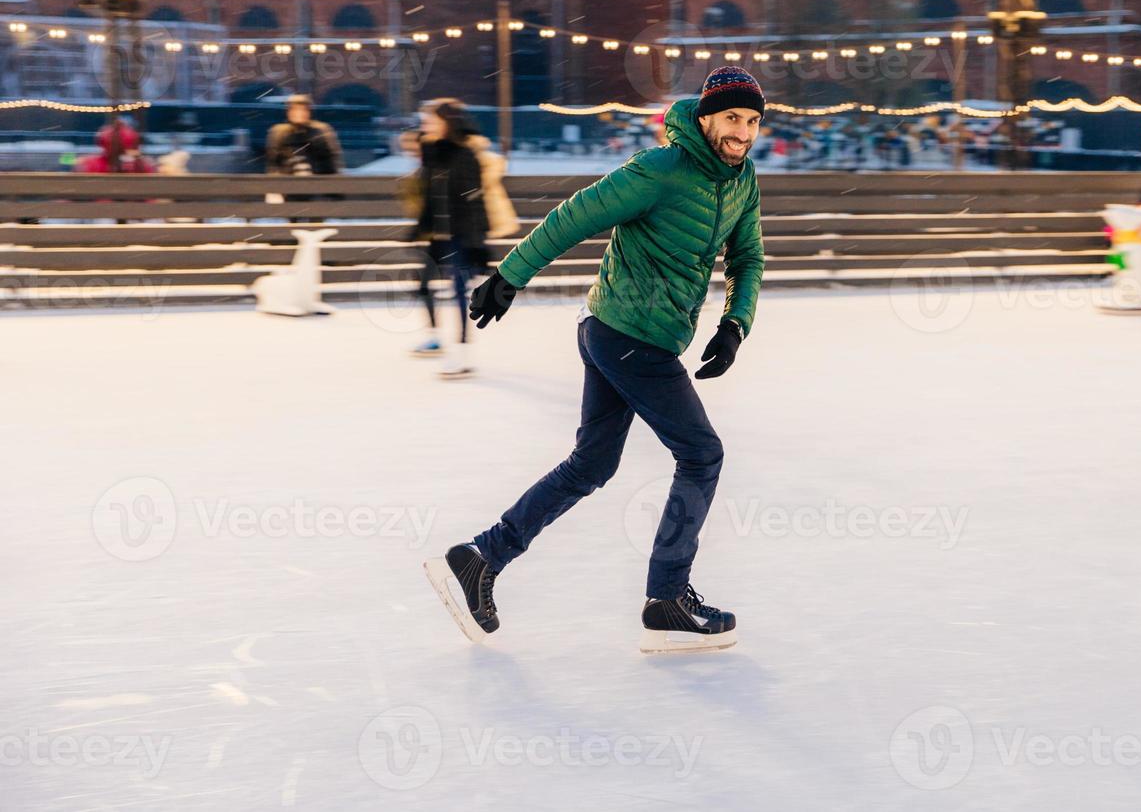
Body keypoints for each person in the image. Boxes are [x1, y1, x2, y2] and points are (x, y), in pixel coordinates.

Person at [423, 67, 767, 654]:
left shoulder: (741, 178)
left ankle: (482, 557)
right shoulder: (659, 169)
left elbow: (748, 254)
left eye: (753, 121)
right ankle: (667, 598)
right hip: (629, 336)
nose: (743, 132)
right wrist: (510, 275)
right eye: (732, 118)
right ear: (705, 117)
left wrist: (735, 325)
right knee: (702, 454)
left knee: (592, 464)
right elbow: (576, 215)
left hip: (623, 335)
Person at [406, 98, 491, 379]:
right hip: (438, 236)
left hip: (461, 236)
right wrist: (419, 228)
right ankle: (434, 337)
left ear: (447, 122)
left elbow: (475, 202)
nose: (426, 125)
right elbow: (430, 196)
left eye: (431, 120)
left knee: (458, 294)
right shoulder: (434, 153)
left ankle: (463, 354)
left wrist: (478, 243)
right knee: (421, 285)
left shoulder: (466, 155)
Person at [264, 94, 342, 176]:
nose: (299, 113)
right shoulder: (279, 132)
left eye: (303, 110)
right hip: (287, 182)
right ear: (288, 112)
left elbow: (331, 163)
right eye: (294, 109)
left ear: (309, 112)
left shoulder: (321, 131)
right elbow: (273, 163)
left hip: (317, 181)